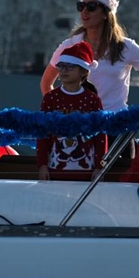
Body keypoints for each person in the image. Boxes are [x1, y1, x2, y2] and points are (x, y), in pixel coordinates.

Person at [40, 0, 139, 158]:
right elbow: (46, 83)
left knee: (119, 182)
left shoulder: (126, 47)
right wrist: (60, 113)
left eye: (91, 7)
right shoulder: (69, 45)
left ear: (106, 13)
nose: (84, 11)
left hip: (117, 127)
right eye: (81, 6)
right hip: (81, 127)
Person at [37, 41, 107, 181]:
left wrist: (99, 166)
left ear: (83, 71)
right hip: (55, 169)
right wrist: (42, 165)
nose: (63, 71)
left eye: (69, 67)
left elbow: (100, 135)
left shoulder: (92, 99)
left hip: (86, 170)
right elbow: (42, 132)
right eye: (61, 66)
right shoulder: (51, 98)